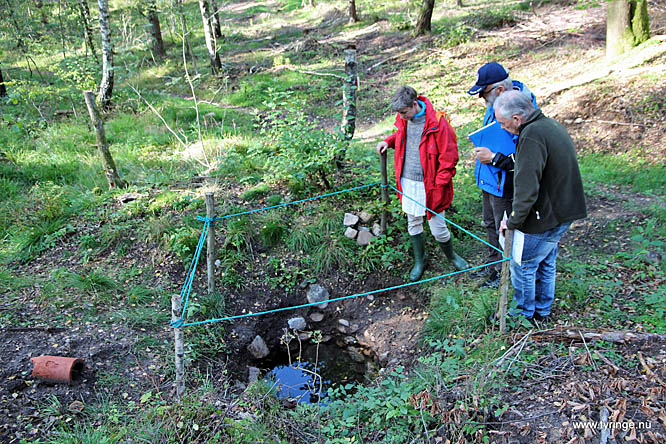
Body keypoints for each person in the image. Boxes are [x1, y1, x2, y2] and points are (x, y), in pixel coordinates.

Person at [495, 90, 587, 324]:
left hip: (547, 214)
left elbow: (527, 186)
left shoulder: (532, 135)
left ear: (517, 118)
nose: (504, 129)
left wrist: (513, 222)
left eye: (504, 124)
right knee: (545, 259)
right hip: (563, 209)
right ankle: (542, 313)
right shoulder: (550, 125)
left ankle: (524, 316)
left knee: (523, 263)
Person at [376, 86, 468, 282]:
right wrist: (388, 141)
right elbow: (401, 136)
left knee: (438, 227)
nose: (401, 116)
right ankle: (420, 261)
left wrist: (439, 184)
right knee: (413, 222)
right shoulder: (404, 120)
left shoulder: (438, 124)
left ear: (414, 104)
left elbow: (449, 158)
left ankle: (452, 256)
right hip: (407, 181)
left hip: (431, 186)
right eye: (399, 113)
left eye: (404, 112)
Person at [467, 62, 537, 288]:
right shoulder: (497, 104)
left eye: (484, 93)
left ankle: (506, 273)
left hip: (504, 182)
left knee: (503, 229)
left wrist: (494, 158)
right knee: (489, 223)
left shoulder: (521, 113)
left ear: (499, 90)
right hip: (489, 179)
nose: (482, 99)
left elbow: (523, 158)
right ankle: (493, 266)